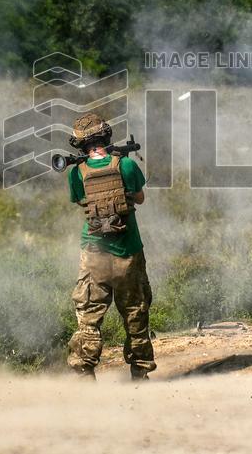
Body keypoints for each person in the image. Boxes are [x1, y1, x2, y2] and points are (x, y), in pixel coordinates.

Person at [65, 112, 155, 380]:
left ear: (80, 145)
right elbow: (139, 198)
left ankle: (84, 376)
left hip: (94, 254)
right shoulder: (126, 165)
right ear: (106, 136)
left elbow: (80, 199)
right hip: (128, 251)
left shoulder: (77, 172)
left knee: (89, 318)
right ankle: (140, 375)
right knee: (135, 315)